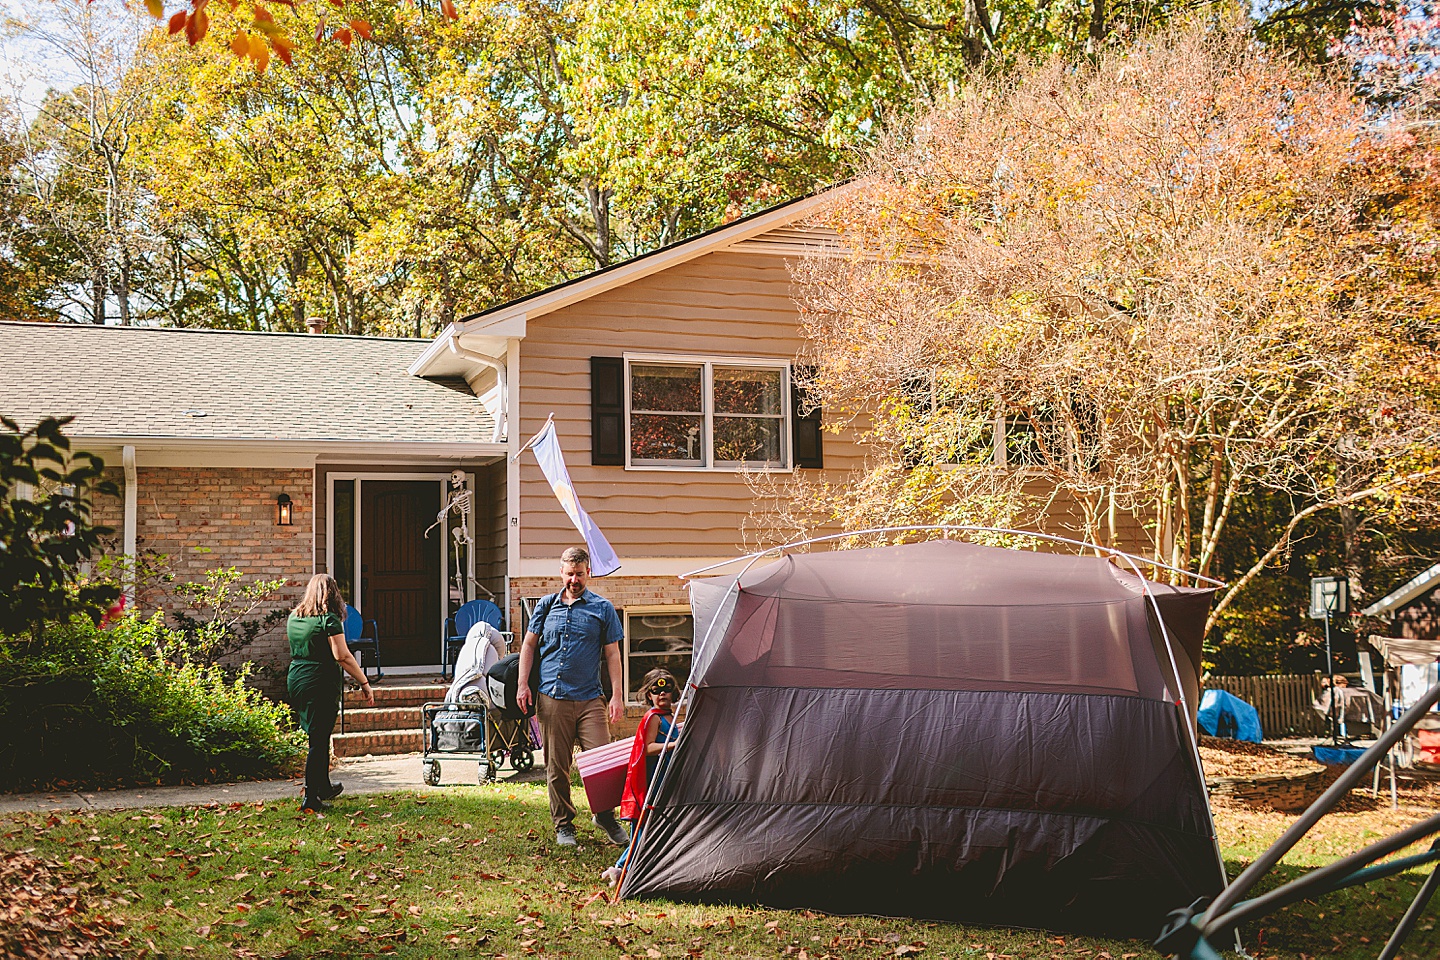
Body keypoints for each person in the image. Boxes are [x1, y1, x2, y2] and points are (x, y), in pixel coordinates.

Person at [516, 546, 628, 847]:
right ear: (561, 573)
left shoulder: (602, 608)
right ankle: (564, 825)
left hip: (591, 698)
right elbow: (528, 646)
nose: (574, 580)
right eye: (569, 574)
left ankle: (604, 816)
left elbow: (613, 654)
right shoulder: (545, 606)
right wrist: (522, 684)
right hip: (552, 696)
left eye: (579, 574)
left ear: (588, 572)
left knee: (604, 763)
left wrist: (617, 696)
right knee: (557, 766)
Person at [287, 573, 374, 813]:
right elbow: (342, 656)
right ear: (332, 594)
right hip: (319, 681)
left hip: (297, 677)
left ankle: (323, 786)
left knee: (319, 734)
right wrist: (364, 682)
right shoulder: (329, 620)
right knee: (318, 738)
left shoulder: (294, 617)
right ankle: (310, 796)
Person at [601, 668, 679, 886]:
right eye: (656, 690)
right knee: (643, 830)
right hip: (651, 783)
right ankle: (619, 868)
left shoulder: (669, 717)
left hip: (665, 781)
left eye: (667, 689)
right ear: (649, 695)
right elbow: (648, 748)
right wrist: (675, 745)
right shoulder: (653, 718)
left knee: (654, 828)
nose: (662, 694)